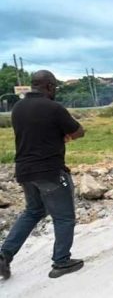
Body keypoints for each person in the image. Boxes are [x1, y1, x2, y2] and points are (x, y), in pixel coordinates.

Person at [0, 70, 85, 280]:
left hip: (24, 171)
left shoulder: (17, 108)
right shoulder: (53, 107)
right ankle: (61, 261)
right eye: (54, 86)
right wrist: (65, 137)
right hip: (49, 171)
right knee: (64, 217)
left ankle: (4, 254)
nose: (55, 90)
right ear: (49, 86)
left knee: (33, 211)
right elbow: (78, 130)